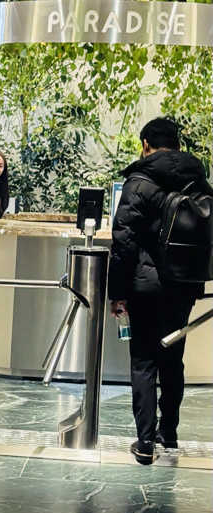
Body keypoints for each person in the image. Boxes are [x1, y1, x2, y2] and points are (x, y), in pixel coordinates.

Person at [108, 117, 211, 465]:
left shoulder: (139, 182)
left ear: (145, 145)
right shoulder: (198, 180)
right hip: (183, 285)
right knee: (172, 358)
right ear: (177, 144)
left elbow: (123, 241)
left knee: (144, 360)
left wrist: (117, 292)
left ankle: (145, 442)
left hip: (145, 286)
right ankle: (169, 433)